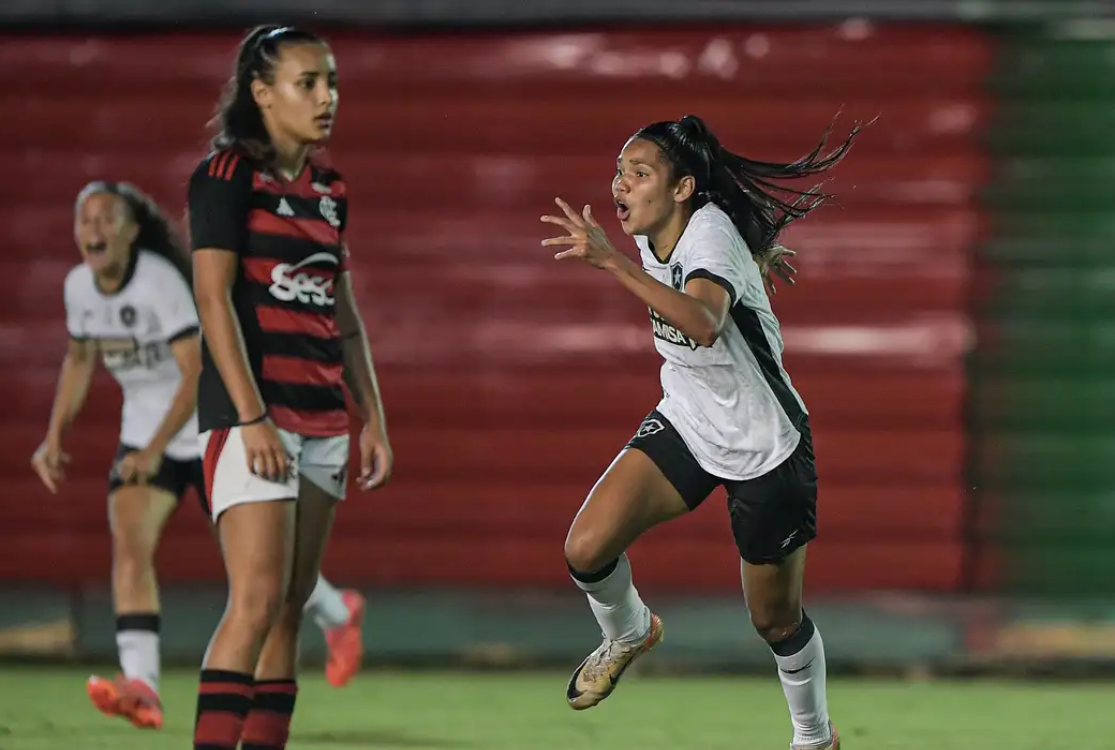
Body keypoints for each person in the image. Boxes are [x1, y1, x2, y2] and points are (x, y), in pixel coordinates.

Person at [540, 114, 863, 750]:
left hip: (766, 446)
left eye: (639, 173)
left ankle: (813, 736)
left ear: (684, 187)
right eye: (618, 172)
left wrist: (607, 261)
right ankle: (629, 630)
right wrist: (760, 255)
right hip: (690, 420)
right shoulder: (657, 227)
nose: (621, 185)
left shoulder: (706, 234)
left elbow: (706, 320)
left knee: (774, 620)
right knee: (586, 548)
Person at [30, 181, 370, 733]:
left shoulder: (160, 284)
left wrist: (155, 447)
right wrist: (54, 435)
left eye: (106, 219)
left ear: (132, 230)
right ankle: (141, 684)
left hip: (210, 430)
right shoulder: (78, 288)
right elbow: (78, 357)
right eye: (84, 220)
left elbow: (194, 371)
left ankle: (337, 612)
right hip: (146, 439)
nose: (93, 231)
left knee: (261, 574)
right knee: (130, 546)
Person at [186, 25, 392, 750]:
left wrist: (373, 418)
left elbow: (345, 317)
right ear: (261, 92)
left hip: (325, 421)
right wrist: (252, 419)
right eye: (307, 82)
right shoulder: (225, 176)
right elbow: (212, 301)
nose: (326, 96)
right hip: (255, 421)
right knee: (256, 601)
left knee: (290, 606)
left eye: (330, 81)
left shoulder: (331, 190)